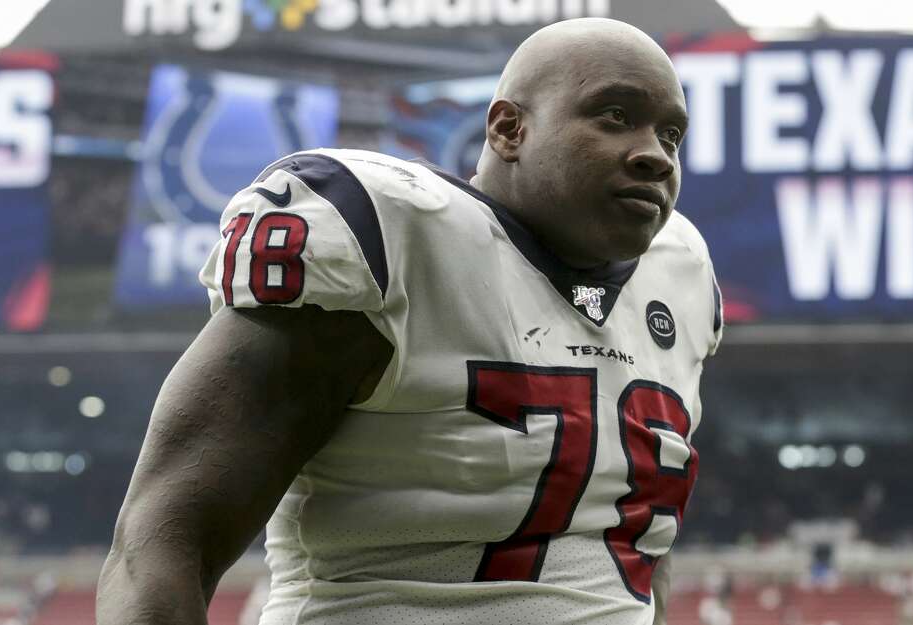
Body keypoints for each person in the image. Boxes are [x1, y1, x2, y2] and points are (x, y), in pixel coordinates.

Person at [96, 17, 722, 625]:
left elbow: (637, 548)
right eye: (614, 116)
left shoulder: (680, 273)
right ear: (509, 129)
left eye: (671, 135)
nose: (655, 156)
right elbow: (160, 541)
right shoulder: (387, 234)